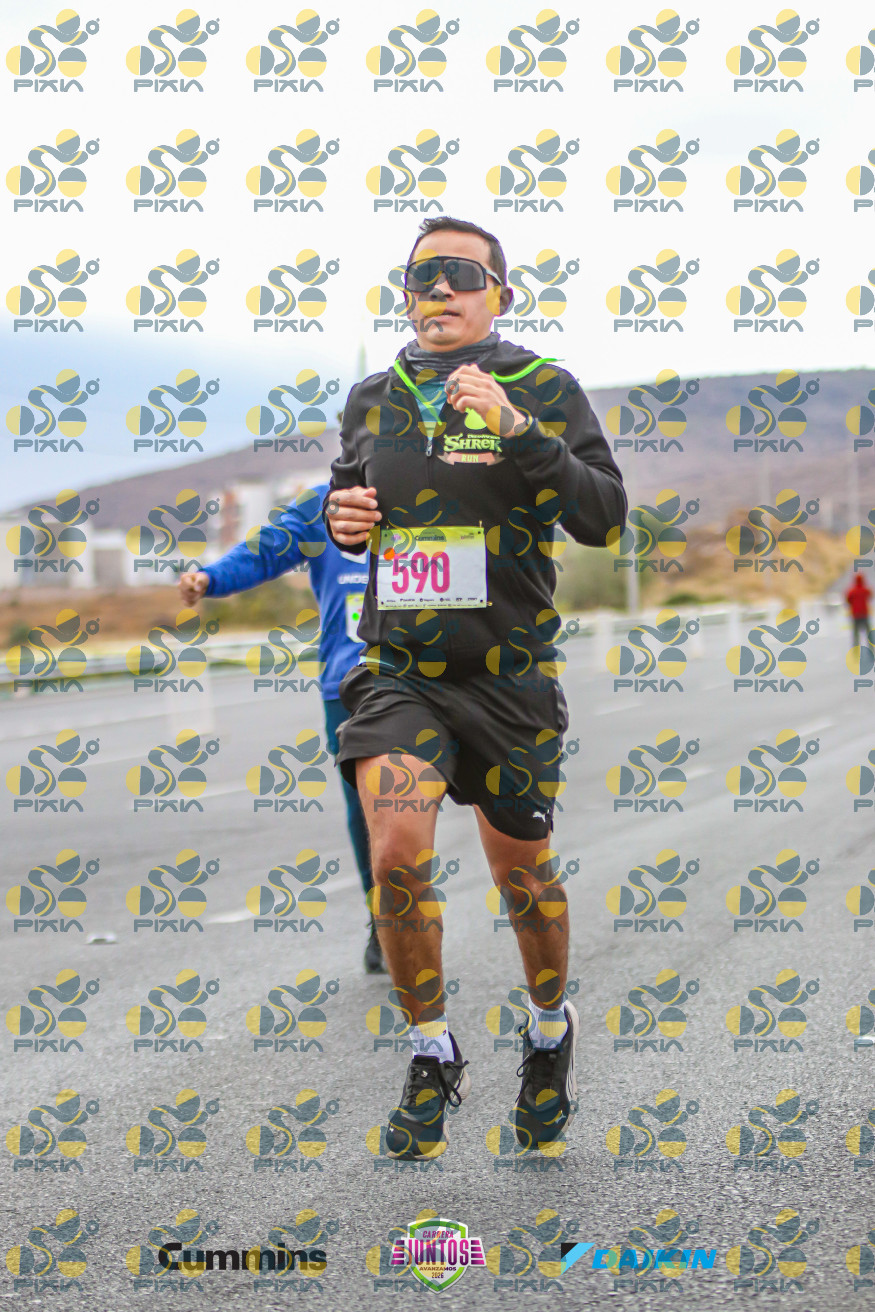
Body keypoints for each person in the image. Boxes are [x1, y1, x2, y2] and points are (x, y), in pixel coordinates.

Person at [322, 216, 627, 1159]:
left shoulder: (543, 386)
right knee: (395, 856)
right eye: (420, 277)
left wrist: (519, 431)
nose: (439, 290)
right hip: (401, 672)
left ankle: (548, 1032)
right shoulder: (370, 399)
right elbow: (348, 503)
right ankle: (430, 1053)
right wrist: (343, 518)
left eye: (460, 273)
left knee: (521, 876)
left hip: (508, 676)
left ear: (500, 293)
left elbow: (602, 516)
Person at [177, 482, 387, 974]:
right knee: (368, 809)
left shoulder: (434, 481)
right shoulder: (324, 502)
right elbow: (267, 550)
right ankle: (384, 918)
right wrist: (210, 577)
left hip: (440, 674)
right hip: (351, 682)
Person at [846, 572, 873, 649]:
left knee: (856, 633)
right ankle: (871, 648)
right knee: (868, 632)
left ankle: (855, 648)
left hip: (856, 614)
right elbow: (870, 595)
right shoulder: (865, 590)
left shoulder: (852, 591)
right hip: (864, 614)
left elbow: (848, 599)